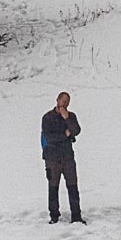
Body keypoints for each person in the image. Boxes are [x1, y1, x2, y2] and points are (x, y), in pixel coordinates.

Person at [41, 91, 83, 224]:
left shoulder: (71, 116)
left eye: (67, 102)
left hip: (68, 157)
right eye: (63, 101)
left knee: (73, 186)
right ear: (57, 100)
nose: (65, 104)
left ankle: (76, 216)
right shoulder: (47, 117)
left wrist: (67, 119)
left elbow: (76, 130)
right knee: (53, 187)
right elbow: (49, 138)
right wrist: (64, 136)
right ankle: (54, 216)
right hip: (52, 158)